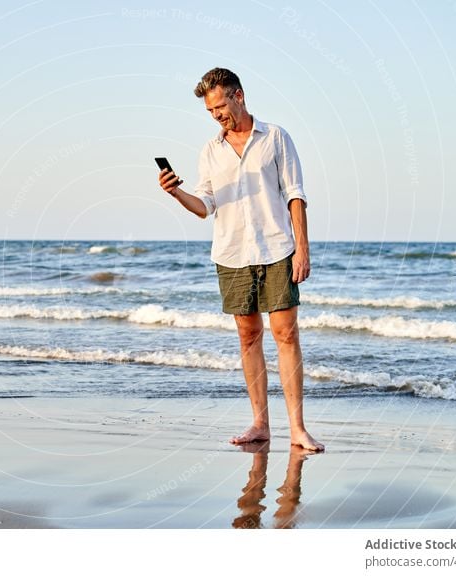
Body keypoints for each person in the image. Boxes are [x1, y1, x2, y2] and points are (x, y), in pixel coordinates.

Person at [158, 67, 324, 452]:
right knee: (248, 336)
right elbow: (206, 206)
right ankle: (260, 424)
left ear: (239, 95)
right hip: (232, 253)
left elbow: (295, 195)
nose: (217, 115)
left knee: (286, 334)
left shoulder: (276, 138)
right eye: (210, 111)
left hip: (277, 248)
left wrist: (303, 247)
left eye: (220, 106)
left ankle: (298, 428)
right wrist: (175, 193)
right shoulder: (210, 151)